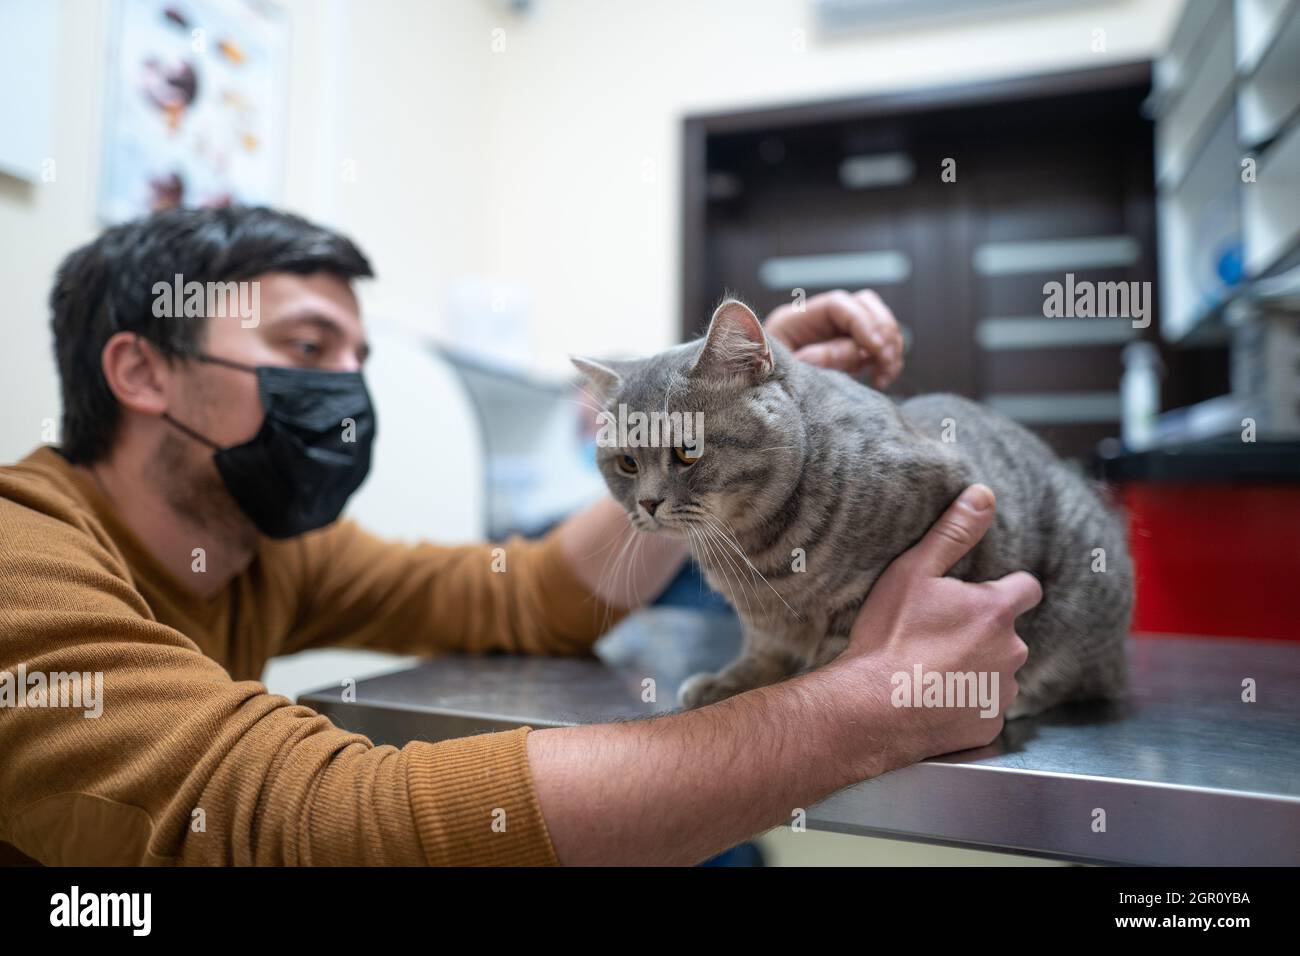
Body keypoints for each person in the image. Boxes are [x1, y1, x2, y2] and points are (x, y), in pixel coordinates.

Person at [0, 206, 1036, 866]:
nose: (345, 391)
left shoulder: (253, 546)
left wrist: (715, 416)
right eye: (306, 347)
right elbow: (303, 825)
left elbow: (524, 594)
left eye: (356, 358)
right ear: (139, 373)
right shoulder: (20, 560)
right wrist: (864, 707)